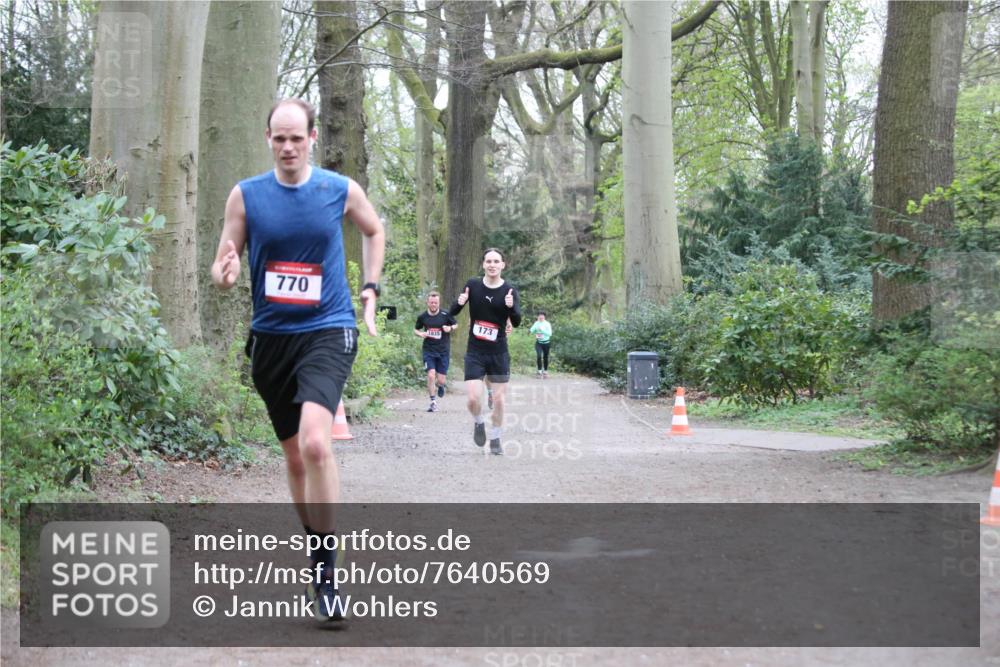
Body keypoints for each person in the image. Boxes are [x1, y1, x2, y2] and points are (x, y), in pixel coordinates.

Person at [210, 98, 384, 622]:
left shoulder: (338, 189)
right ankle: (317, 551)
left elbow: (373, 230)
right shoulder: (246, 196)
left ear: (312, 138)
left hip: (329, 329)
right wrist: (225, 275)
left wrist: (370, 288)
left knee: (315, 443)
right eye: (279, 138)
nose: (288, 147)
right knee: (293, 459)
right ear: (268, 139)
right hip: (271, 339)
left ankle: (328, 573)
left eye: (296, 138)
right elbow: (223, 264)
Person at [448, 248, 521, 455]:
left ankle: (496, 438)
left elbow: (517, 321)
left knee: (499, 400)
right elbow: (452, 312)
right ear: (483, 264)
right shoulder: (473, 285)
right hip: (475, 351)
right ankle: (479, 422)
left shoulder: (509, 290)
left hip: (498, 352)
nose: (492, 265)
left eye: (496, 261)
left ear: (502, 265)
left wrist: (511, 308)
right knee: (472, 398)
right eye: (488, 261)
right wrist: (459, 302)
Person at [414, 291, 457, 412]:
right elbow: (416, 329)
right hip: (429, 350)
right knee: (431, 375)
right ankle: (433, 402)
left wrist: (450, 328)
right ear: (427, 302)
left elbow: (455, 324)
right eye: (431, 302)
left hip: (443, 351)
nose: (433, 305)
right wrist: (420, 334)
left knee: (441, 380)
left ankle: (441, 385)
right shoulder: (422, 317)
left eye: (436, 303)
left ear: (439, 303)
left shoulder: (445, 314)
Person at [529, 312, 553, 378]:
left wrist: (542, 331)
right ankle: (539, 371)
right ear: (538, 317)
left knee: (545, 357)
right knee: (539, 356)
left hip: (546, 343)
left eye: (542, 316)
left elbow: (550, 334)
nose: (540, 317)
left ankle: (545, 371)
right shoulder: (536, 323)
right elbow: (532, 329)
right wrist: (530, 331)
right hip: (539, 343)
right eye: (539, 316)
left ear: (544, 317)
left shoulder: (547, 324)